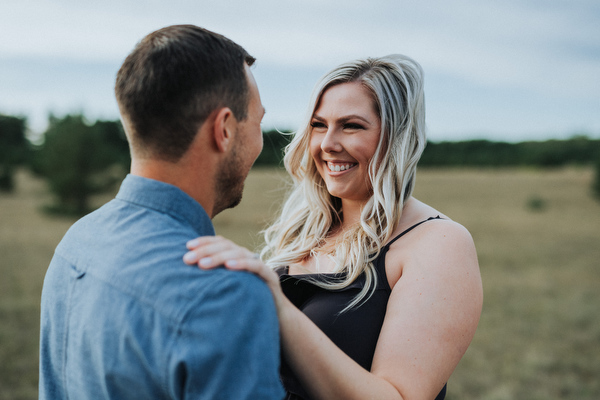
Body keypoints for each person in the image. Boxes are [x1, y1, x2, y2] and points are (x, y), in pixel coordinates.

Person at [184, 54, 483, 399]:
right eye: (318, 125)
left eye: (351, 126)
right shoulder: (304, 232)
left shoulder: (439, 243)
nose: (327, 144)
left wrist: (280, 310)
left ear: (397, 136)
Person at [39, 25, 284, 399]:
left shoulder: (78, 240)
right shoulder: (224, 295)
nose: (260, 137)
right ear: (224, 129)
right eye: (258, 120)